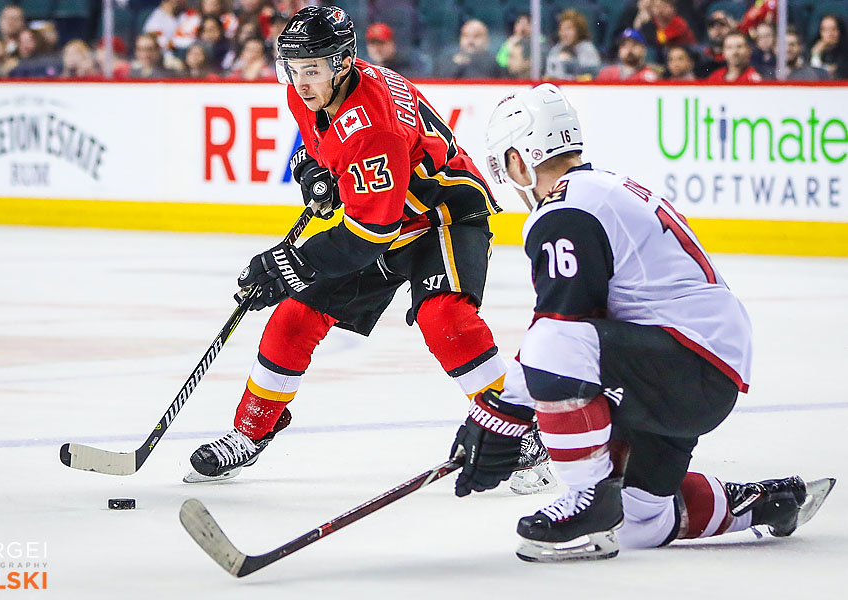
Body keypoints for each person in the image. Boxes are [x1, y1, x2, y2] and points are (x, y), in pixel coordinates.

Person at [449, 82, 837, 562]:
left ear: (517, 157)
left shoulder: (566, 211)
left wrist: (499, 415)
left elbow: (561, 331)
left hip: (684, 362)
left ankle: (586, 498)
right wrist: (503, 414)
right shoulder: (599, 189)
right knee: (639, 524)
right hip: (696, 371)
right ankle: (761, 503)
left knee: (553, 341)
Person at [185, 5, 533, 488]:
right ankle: (252, 429)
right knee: (295, 315)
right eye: (295, 69)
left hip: (441, 216)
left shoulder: (374, 126)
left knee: (445, 318)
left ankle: (520, 434)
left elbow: (369, 235)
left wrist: (288, 262)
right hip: (382, 213)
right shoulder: (310, 91)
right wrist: (313, 171)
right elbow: (320, 145)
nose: (302, 83)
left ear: (343, 62)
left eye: (313, 70)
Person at [544, 9, 601, 80]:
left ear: (579, 30)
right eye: (561, 29)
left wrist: (569, 62)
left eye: (568, 29)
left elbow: (593, 72)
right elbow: (549, 73)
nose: (564, 33)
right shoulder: (557, 49)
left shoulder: (586, 48)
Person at [434, 19, 502, 79]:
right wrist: (456, 66)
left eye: (477, 36)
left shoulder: (495, 64)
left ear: (486, 40)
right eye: (466, 36)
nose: (470, 41)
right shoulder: (445, 62)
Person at [810, 14, 848, 80]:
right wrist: (816, 54)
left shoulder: (845, 53)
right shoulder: (811, 49)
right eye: (825, 30)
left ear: (840, 31)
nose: (830, 34)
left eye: (833, 29)